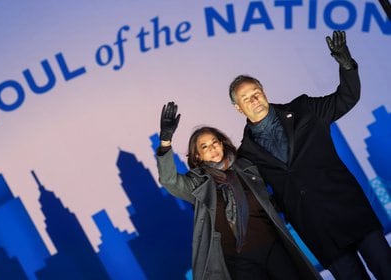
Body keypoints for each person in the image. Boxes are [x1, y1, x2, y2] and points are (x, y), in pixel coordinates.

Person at [228, 30, 391, 280]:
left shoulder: (304, 109)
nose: (255, 100)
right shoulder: (246, 156)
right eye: (246, 99)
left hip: (349, 210)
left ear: (264, 91)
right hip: (317, 230)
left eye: (256, 92)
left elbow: (346, 98)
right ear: (239, 109)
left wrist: (347, 66)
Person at [156, 102, 321, 280]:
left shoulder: (246, 167)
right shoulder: (197, 184)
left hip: (273, 247)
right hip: (238, 261)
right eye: (205, 147)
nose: (212, 148)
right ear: (197, 156)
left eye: (214, 142)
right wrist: (166, 141)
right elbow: (169, 180)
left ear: (222, 144)